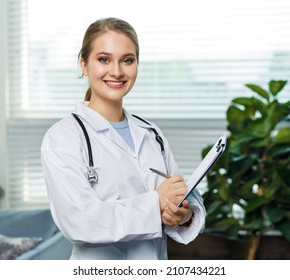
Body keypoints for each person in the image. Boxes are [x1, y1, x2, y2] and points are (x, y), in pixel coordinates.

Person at [41, 17, 206, 260]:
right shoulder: (63, 138)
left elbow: (184, 197)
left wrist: (182, 215)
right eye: (104, 59)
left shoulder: (152, 134)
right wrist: (155, 204)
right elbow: (80, 222)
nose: (117, 71)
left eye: (127, 60)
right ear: (84, 65)